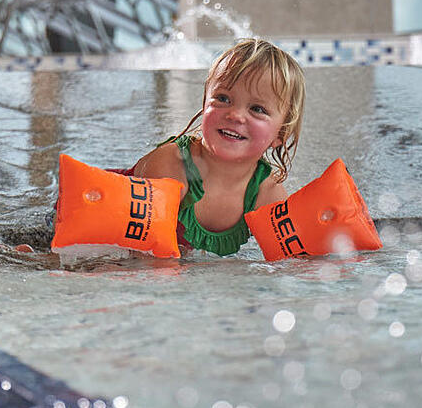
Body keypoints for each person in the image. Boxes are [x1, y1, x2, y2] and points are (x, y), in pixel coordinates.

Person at [124, 38, 306, 256]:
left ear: (281, 134)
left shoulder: (266, 195)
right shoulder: (171, 168)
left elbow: (290, 261)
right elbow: (141, 257)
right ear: (204, 104)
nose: (235, 115)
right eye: (223, 98)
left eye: (257, 109)